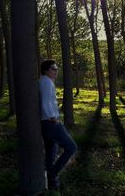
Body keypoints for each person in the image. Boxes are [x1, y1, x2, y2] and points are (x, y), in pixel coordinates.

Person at [39, 60, 77, 190]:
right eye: (53, 69)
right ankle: (52, 174)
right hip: (51, 123)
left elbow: (48, 101)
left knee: (51, 152)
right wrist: (53, 117)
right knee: (71, 147)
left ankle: (49, 183)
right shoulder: (47, 82)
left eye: (57, 68)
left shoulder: (44, 81)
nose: (56, 71)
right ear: (45, 70)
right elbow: (45, 102)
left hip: (45, 123)